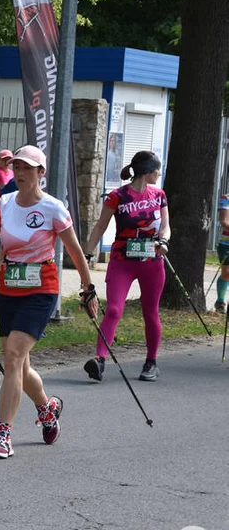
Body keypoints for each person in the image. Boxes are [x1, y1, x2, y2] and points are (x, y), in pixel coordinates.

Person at [0, 145, 97, 460]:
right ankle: (47, 407)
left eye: (28, 168)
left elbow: (74, 251)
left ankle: (3, 433)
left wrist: (88, 288)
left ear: (41, 172)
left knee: (14, 356)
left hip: (41, 289)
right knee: (18, 363)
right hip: (9, 289)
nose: (21, 173)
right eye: (17, 167)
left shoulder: (53, 208)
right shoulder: (4, 203)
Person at [82, 150, 170, 382]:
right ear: (147, 172)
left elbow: (165, 227)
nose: (159, 173)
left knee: (150, 312)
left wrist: (163, 241)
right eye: (157, 170)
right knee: (113, 309)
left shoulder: (159, 195)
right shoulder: (117, 196)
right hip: (122, 260)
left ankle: (151, 362)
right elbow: (101, 226)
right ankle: (99, 360)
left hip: (152, 261)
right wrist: (87, 254)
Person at [216, 188, 229, 314]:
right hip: (226, 243)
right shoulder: (226, 198)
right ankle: (220, 301)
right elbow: (224, 221)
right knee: (227, 273)